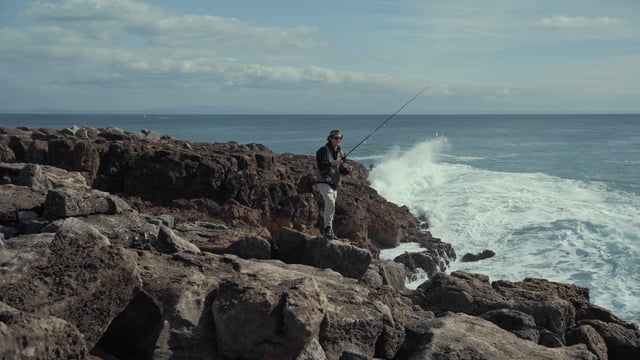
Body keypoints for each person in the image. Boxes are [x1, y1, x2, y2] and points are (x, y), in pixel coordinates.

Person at [316, 129, 352, 240]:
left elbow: (342, 169)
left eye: (340, 138)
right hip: (323, 181)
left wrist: (348, 169)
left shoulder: (342, 153)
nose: (339, 140)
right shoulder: (322, 150)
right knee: (330, 202)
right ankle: (327, 229)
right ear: (331, 138)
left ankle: (329, 231)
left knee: (331, 207)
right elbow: (321, 165)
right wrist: (332, 163)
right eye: (336, 138)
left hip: (334, 183)